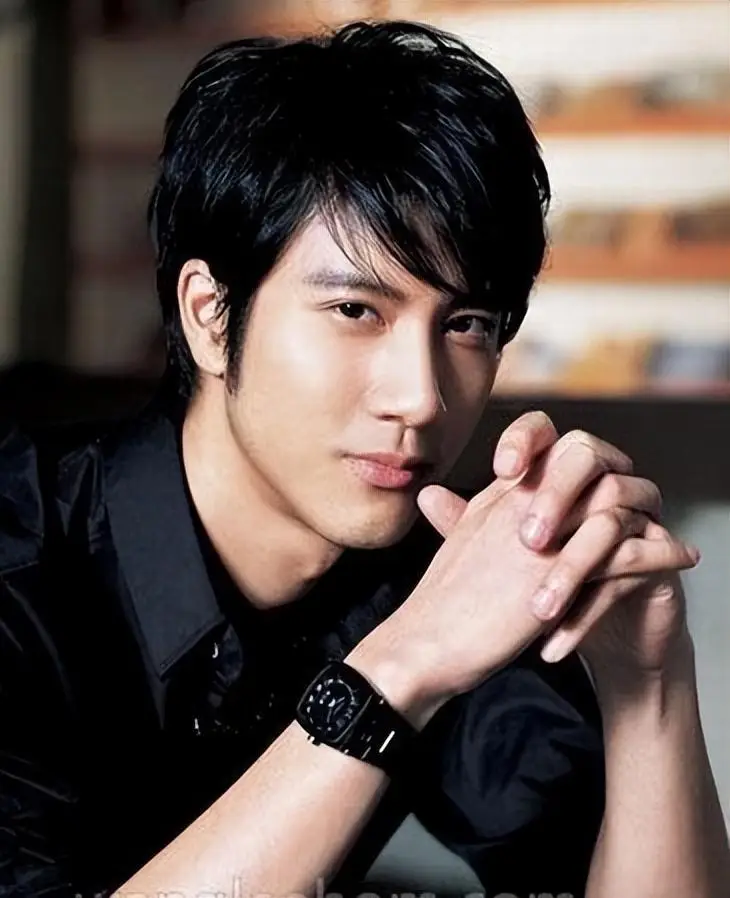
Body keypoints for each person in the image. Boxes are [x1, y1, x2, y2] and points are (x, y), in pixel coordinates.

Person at [0, 19, 727, 898]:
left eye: (466, 325)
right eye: (356, 311)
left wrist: (647, 682)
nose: (421, 398)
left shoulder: (430, 578)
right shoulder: (20, 567)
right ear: (209, 315)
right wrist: (397, 670)